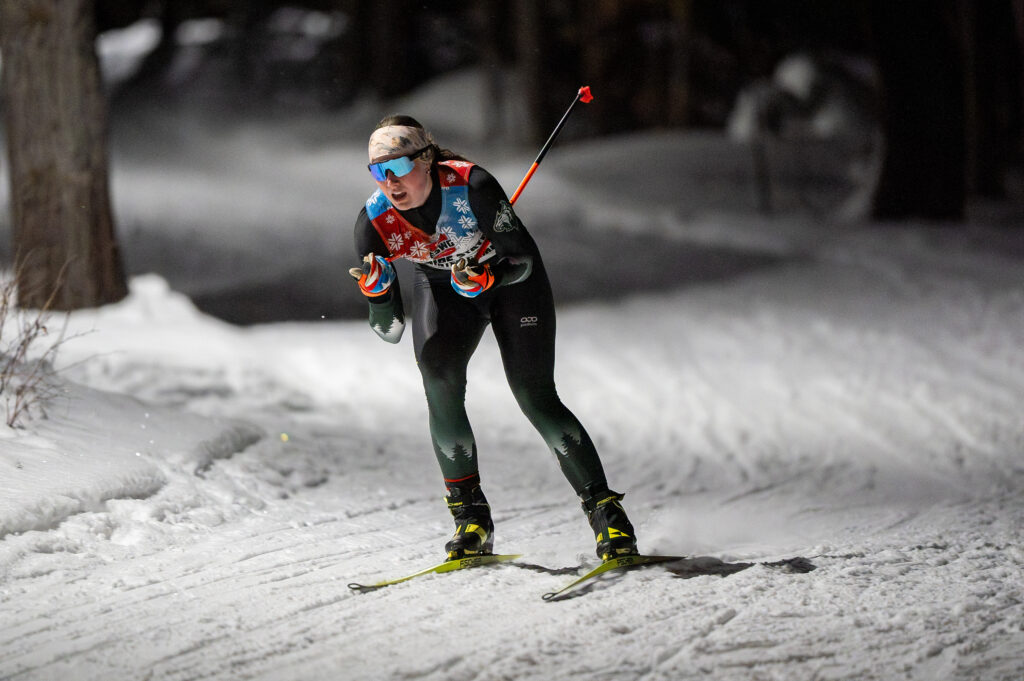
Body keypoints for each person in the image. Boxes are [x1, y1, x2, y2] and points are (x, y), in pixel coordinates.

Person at [349, 115, 638, 562]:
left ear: (425, 160)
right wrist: (379, 294)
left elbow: (520, 258)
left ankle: (607, 515)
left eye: (399, 168)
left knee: (533, 395)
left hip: (511, 286)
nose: (391, 182)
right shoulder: (374, 222)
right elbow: (388, 332)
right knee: (438, 380)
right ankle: (470, 519)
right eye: (377, 171)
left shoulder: (473, 186)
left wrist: (486, 277)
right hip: (443, 286)